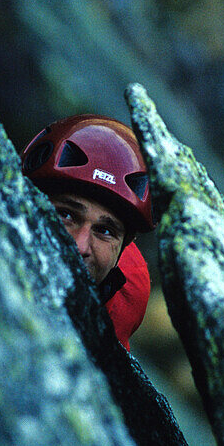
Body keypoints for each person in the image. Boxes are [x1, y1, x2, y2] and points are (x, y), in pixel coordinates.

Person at [21, 115, 154, 351]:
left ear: (124, 247)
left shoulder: (128, 298)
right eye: (66, 215)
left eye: (104, 230)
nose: (80, 246)